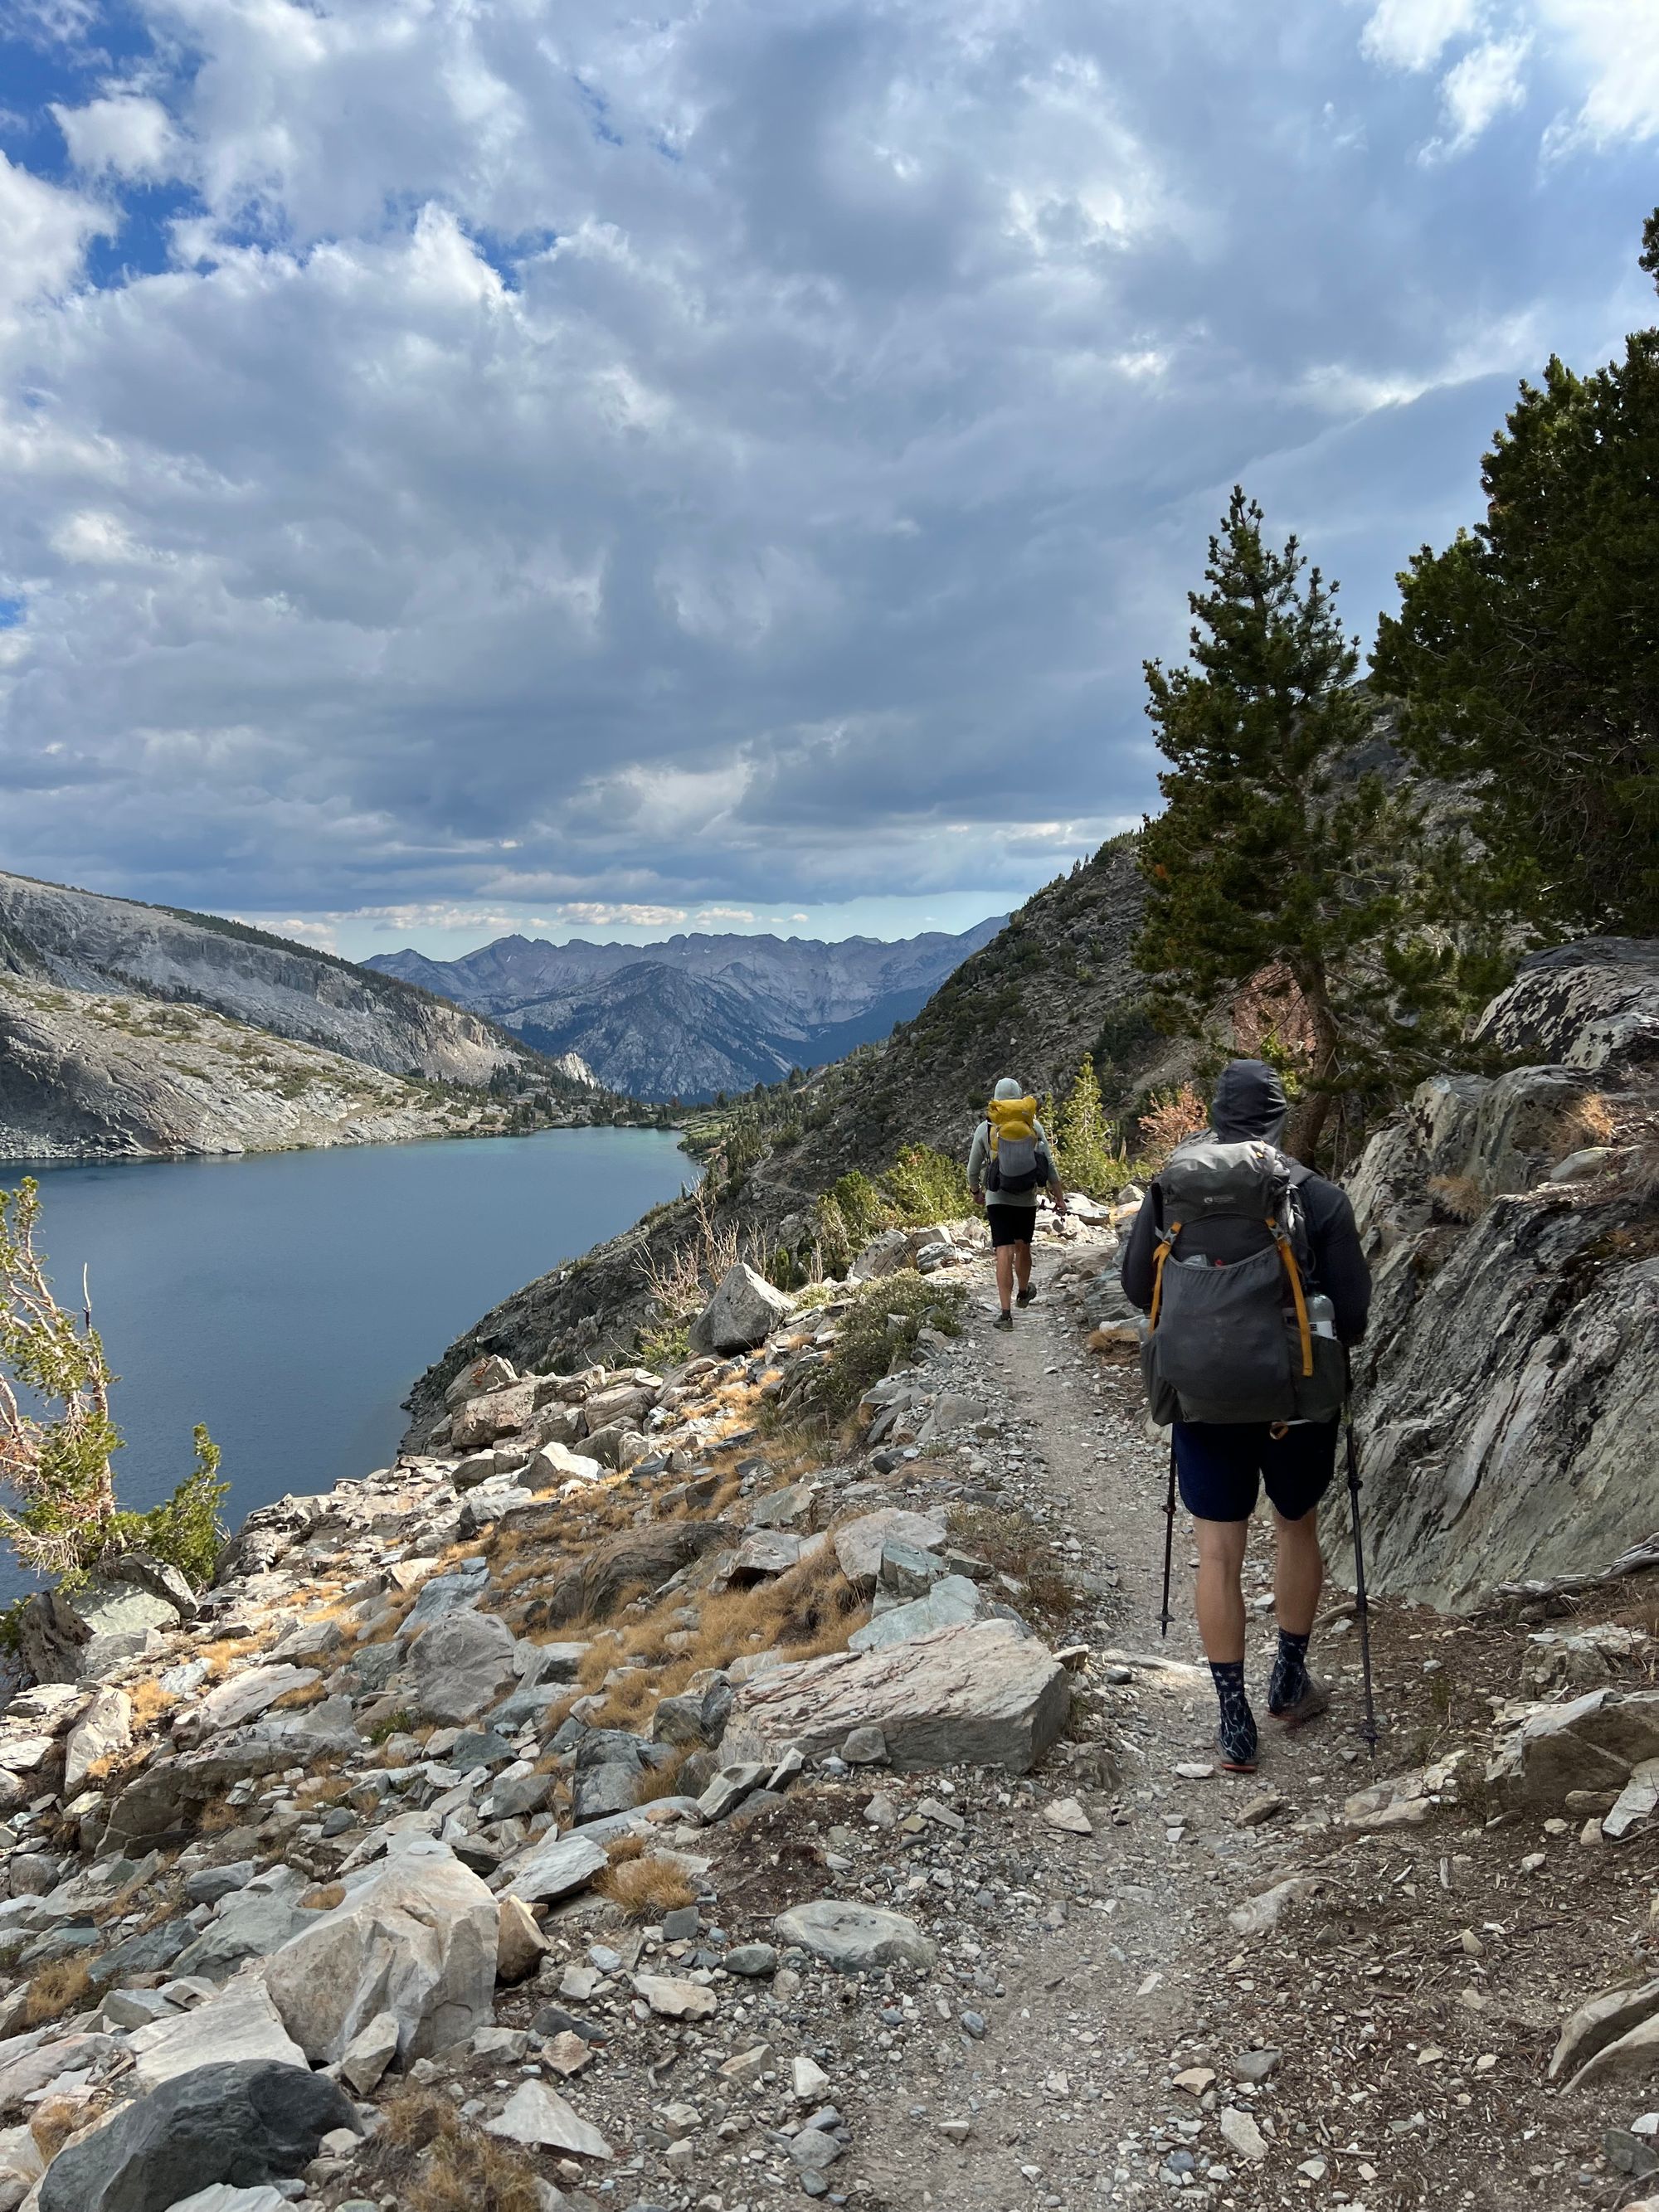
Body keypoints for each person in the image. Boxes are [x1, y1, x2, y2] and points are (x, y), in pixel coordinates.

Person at [1119, 1059, 1370, 1770]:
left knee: (1219, 1551)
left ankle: (1233, 1719)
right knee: (1297, 1526)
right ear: (1280, 1118)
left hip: (1202, 1400)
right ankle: (1288, 1681)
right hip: (1295, 1401)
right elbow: (1351, 1317)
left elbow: (1140, 1288)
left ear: (1217, 1117)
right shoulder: (1317, 1196)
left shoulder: (1173, 1190)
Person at [967, 1077, 1068, 1330]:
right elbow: (1050, 1165)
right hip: (1026, 1198)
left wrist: (976, 1192)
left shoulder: (986, 1128)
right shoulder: (1033, 1126)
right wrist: (1059, 1198)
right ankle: (1023, 1292)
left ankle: (1005, 1314)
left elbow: (972, 1169)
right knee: (1023, 1247)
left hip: (997, 1198)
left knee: (1004, 1250)